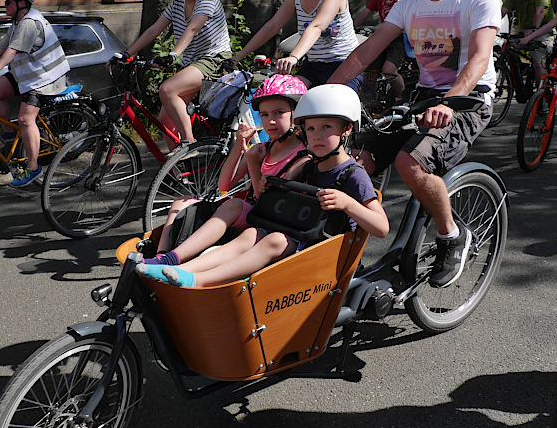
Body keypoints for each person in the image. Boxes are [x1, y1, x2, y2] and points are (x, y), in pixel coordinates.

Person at [327, 0, 500, 288]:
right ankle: (337, 251)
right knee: (357, 161)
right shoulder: (411, 2)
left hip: (468, 99)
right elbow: (365, 51)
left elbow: (479, 57)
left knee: (410, 163)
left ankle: (450, 235)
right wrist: (323, 94)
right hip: (424, 95)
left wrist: (449, 103)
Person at [137, 84, 388, 288]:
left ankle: (199, 280)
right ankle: (179, 269)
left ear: (346, 129)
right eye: (311, 128)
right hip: (300, 235)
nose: (317, 135)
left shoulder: (353, 175)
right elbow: (274, 197)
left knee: (275, 240)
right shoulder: (310, 166)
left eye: (326, 127)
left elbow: (382, 228)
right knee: (251, 234)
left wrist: (348, 203)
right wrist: (269, 182)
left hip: (323, 250)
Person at [147, 74, 310, 258]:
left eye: (279, 113)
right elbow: (224, 186)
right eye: (264, 114)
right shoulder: (262, 148)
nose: (270, 120)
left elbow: (266, 202)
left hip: (264, 221)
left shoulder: (301, 156)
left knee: (234, 204)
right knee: (181, 202)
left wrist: (253, 164)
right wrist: (239, 147)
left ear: (296, 115)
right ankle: (161, 254)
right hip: (248, 215)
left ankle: (175, 258)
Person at [122, 0, 231, 147]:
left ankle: (190, 146)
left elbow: (193, 28)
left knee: (167, 89)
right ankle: (177, 172)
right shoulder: (177, 4)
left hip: (214, 59)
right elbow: (154, 30)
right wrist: (127, 53)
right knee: (166, 119)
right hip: (192, 63)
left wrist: (173, 54)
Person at [229, 0, 363, 91]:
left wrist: (294, 57)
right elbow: (272, 26)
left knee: (328, 103)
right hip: (314, 65)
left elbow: (317, 27)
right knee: (283, 94)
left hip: (344, 63)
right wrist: (238, 57)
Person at [0, 0, 70, 187]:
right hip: (28, 76)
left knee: (25, 119)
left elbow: (11, 51)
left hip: (46, 78)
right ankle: (10, 134)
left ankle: (33, 167)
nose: (5, 5)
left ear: (21, 4)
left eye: (8, 2)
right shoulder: (17, 23)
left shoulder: (29, 23)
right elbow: (0, 47)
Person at [353, 0, 415, 97]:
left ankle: (403, 98)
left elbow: (404, 9)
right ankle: (370, 104)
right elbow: (366, 12)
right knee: (368, 69)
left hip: (400, 37)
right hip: (383, 37)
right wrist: (351, 27)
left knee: (388, 70)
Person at [501, 0, 555, 80]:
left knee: (538, 61)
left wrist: (534, 29)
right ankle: (519, 75)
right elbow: (503, 11)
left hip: (542, 31)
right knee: (507, 49)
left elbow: (540, 11)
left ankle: (542, 94)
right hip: (523, 30)